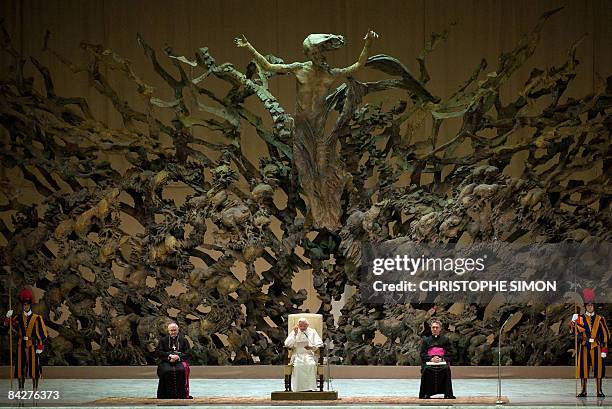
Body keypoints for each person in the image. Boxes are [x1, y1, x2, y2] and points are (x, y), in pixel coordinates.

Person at [236, 31, 377, 230]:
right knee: (306, 173)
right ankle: (319, 214)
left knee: (323, 170)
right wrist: (249, 46)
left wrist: (368, 43)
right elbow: (268, 66)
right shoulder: (298, 68)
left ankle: (330, 216)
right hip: (301, 131)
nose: (319, 56)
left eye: (320, 52)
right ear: (309, 53)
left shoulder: (330, 73)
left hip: (318, 131)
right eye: (315, 52)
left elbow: (357, 66)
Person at [4, 288, 48, 390]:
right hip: (21, 344)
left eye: (27, 305)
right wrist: (8, 317)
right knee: (20, 367)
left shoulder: (37, 318)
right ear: (22, 306)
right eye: (24, 305)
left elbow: (42, 333)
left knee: (34, 368)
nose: (26, 306)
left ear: (30, 305)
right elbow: (7, 325)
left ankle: (35, 388)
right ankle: (21, 388)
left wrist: (40, 345)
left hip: (33, 344)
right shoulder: (18, 317)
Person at [571, 288, 609, 398]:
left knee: (599, 369)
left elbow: (605, 335)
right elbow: (574, 331)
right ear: (585, 306)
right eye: (588, 305)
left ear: (594, 306)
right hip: (584, 346)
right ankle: (583, 390)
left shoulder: (600, 319)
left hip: (597, 346)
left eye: (592, 305)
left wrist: (604, 350)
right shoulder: (581, 318)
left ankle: (599, 391)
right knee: (583, 369)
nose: (590, 307)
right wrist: (573, 321)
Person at [419, 319, 456, 399]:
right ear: (431, 328)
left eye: (436, 327)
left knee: (446, 369)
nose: (435, 329)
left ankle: (447, 393)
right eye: (433, 327)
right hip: (430, 362)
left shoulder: (445, 340)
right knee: (426, 369)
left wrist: (442, 359)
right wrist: (431, 359)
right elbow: (422, 354)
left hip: (442, 362)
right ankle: (426, 393)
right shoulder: (426, 340)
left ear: (440, 328)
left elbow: (450, 353)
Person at [284, 317, 323, 392]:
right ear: (298, 325)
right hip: (297, 355)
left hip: (309, 354)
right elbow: (287, 344)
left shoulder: (312, 331)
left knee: (311, 365)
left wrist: (311, 347)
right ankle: (298, 388)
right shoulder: (294, 332)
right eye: (300, 326)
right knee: (298, 366)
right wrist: (295, 334)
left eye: (304, 326)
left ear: (307, 325)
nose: (302, 328)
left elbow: (319, 343)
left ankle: (310, 387)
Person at [156, 322, 191, 399]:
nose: (173, 332)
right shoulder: (163, 340)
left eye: (175, 330)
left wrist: (178, 357)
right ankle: (165, 395)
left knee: (181, 370)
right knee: (165, 371)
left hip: (179, 361)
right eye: (171, 330)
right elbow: (159, 352)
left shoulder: (184, 340)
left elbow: (188, 352)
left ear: (178, 330)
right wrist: (169, 356)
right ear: (168, 331)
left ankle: (181, 394)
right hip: (166, 361)